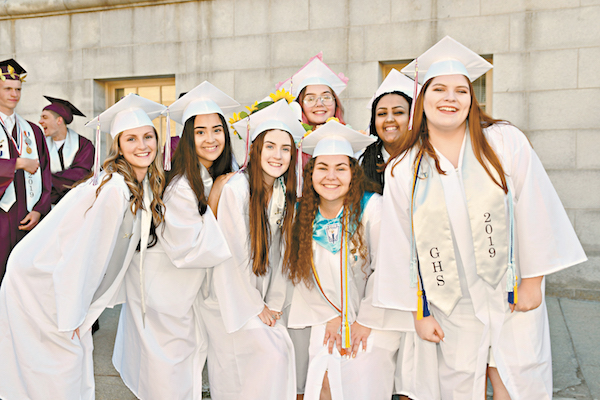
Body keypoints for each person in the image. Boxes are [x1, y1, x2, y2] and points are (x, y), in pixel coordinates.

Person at [373, 36, 587, 400]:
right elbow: (399, 246)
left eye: (461, 90)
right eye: (439, 89)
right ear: (421, 100)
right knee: (460, 384)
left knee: (517, 379)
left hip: (510, 289)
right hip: (450, 300)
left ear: (472, 100)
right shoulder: (403, 168)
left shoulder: (504, 142)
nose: (450, 98)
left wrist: (533, 280)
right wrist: (419, 313)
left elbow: (535, 208)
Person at [0, 93, 166, 400]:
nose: (142, 146)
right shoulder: (114, 189)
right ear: (118, 146)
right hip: (40, 282)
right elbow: (84, 255)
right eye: (131, 139)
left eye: (148, 137)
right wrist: (75, 315)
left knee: (63, 368)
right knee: (61, 367)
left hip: (58, 282)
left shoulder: (138, 184)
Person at [112, 81, 238, 400]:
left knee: (182, 368)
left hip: (182, 291)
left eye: (217, 130)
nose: (210, 139)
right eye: (200, 132)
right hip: (164, 292)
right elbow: (191, 250)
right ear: (187, 138)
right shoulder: (181, 185)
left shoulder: (215, 174)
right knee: (169, 374)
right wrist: (217, 197)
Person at [283, 120, 410, 400]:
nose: (331, 176)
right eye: (322, 168)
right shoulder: (301, 215)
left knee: (357, 385)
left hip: (374, 319)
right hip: (325, 318)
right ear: (310, 173)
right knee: (323, 386)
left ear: (353, 173)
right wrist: (330, 316)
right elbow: (299, 275)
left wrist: (364, 320)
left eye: (341, 168)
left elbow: (388, 267)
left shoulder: (372, 208)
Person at [198, 98, 303, 399]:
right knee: (265, 359)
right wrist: (257, 307)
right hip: (230, 300)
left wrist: (275, 302)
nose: (278, 155)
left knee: (278, 356)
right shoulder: (237, 190)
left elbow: (284, 257)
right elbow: (232, 257)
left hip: (263, 300)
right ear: (255, 149)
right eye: (270, 146)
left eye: (285, 149)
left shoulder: (284, 193)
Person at [0, 59, 51, 283]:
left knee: (24, 279)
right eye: (8, 89)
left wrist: (39, 210)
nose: (14, 94)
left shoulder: (32, 131)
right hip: (2, 216)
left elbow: (45, 174)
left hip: (26, 217)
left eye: (18, 89)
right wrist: (17, 164)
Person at [360, 69, 419, 188]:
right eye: (382, 114)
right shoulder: (362, 163)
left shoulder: (428, 159)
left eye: (398, 112)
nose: (389, 119)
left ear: (412, 118)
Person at [39, 95, 94, 205]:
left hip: (76, 204)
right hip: (45, 206)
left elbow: (80, 175)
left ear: (59, 120)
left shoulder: (84, 145)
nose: (40, 121)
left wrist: (46, 179)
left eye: (45, 117)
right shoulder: (39, 145)